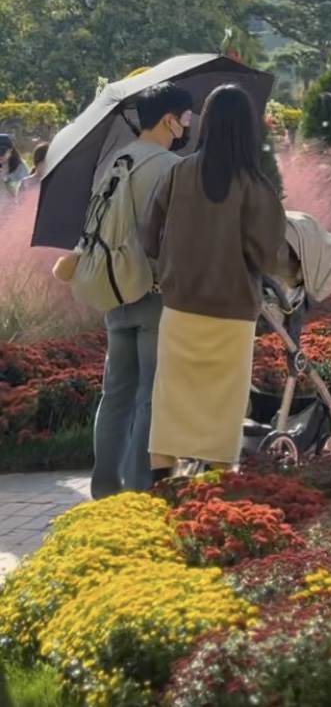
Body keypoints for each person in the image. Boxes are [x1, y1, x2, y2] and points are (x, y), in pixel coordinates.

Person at [142, 84, 286, 481]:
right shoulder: (256, 186)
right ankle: (220, 480)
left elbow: (149, 236)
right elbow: (269, 254)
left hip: (180, 305)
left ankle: (162, 479)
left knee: (171, 396)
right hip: (233, 310)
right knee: (225, 401)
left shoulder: (178, 172)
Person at [90, 82, 194, 500]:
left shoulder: (113, 161)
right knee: (150, 395)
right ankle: (137, 492)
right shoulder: (171, 166)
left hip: (115, 292)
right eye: (186, 116)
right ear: (169, 118)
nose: (188, 124)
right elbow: (178, 236)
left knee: (114, 394)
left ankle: (104, 490)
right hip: (153, 293)